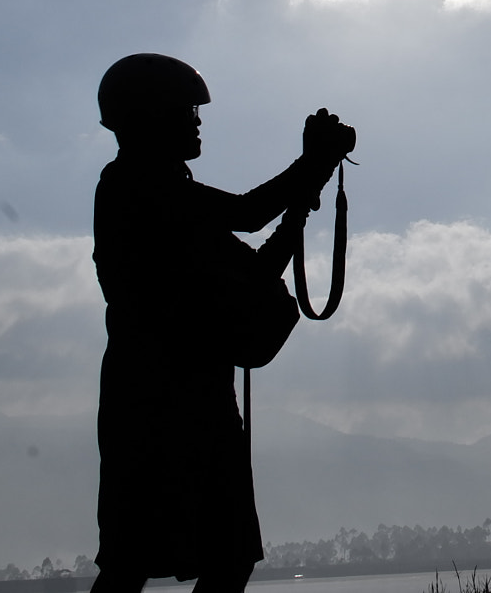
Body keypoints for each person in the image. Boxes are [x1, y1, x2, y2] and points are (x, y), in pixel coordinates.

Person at [89, 53, 355, 593]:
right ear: (151, 117)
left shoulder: (171, 197)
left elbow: (254, 270)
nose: (197, 120)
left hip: (194, 399)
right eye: (187, 110)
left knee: (220, 557)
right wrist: (311, 163)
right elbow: (248, 213)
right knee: (136, 562)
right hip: (157, 404)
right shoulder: (137, 187)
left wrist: (305, 196)